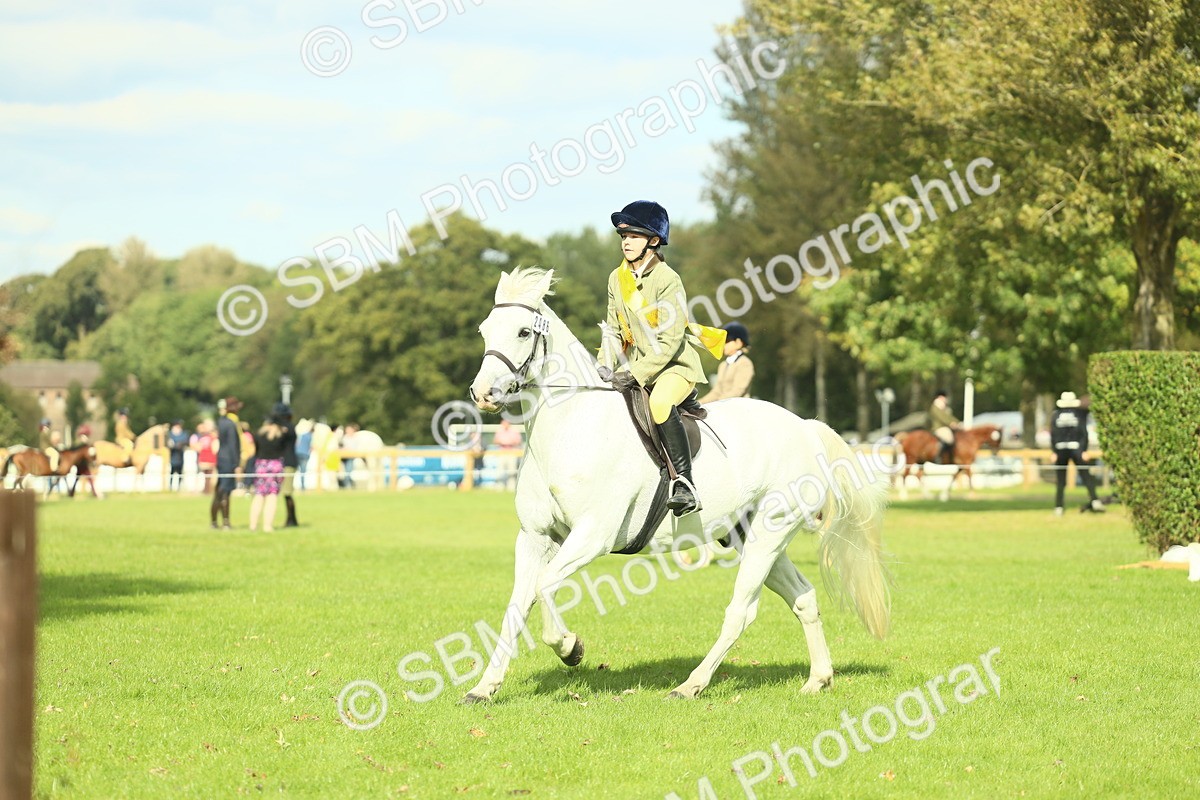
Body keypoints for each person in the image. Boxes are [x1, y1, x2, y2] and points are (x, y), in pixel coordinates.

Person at [596, 200, 722, 516]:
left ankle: (685, 484)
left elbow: (669, 342)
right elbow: (613, 329)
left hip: (673, 368)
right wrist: (602, 364)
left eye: (634, 236)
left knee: (660, 404)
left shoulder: (668, 279)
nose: (626, 242)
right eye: (623, 236)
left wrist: (634, 374)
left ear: (653, 240)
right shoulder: (616, 278)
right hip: (635, 366)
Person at [1051, 391, 1103, 516]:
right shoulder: (1079, 414)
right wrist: (1084, 449)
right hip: (1077, 448)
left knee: (1061, 480)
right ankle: (1094, 500)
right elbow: (1083, 433)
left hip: (1060, 449)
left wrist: (1053, 451)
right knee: (1086, 475)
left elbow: (1053, 434)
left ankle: (1059, 507)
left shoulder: (1056, 415)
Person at [248, 411, 288, 532]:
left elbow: (255, 451)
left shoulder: (259, 435)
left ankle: (253, 525)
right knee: (272, 496)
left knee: (259, 495)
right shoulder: (280, 435)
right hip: (275, 466)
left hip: (261, 466)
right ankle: (267, 525)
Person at [699, 322, 755, 403]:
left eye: (727, 341)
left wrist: (717, 402)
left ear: (738, 343)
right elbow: (717, 391)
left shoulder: (745, 363)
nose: (723, 345)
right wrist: (699, 403)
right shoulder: (723, 365)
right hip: (723, 404)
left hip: (739, 406)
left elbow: (738, 390)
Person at [211, 397, 242, 529]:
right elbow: (233, 444)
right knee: (225, 491)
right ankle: (225, 522)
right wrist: (237, 463)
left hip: (221, 458)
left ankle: (214, 521)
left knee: (220, 490)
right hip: (229, 460)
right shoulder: (230, 423)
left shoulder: (222, 422)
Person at [274, 403, 300, 527]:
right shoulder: (289, 427)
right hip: (288, 461)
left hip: (287, 462)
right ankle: (291, 519)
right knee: (286, 493)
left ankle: (292, 519)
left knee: (287, 492)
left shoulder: (286, 428)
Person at [928, 390, 961, 465]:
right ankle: (938, 456)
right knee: (949, 439)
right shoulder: (935, 407)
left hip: (946, 427)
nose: (945, 399)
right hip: (938, 428)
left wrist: (958, 422)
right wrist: (951, 423)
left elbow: (949, 417)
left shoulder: (945, 408)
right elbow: (942, 417)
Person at [193, 421, 217, 494]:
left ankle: (205, 490)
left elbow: (198, 448)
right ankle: (207, 491)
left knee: (205, 477)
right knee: (209, 477)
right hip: (210, 459)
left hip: (202, 459)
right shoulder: (212, 438)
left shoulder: (202, 438)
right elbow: (215, 449)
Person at [167, 420, 189, 491]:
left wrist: (177, 445)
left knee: (180, 473)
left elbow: (184, 442)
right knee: (171, 473)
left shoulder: (183, 434)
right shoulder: (170, 434)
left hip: (180, 457)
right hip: (172, 457)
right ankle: (170, 487)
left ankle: (179, 487)